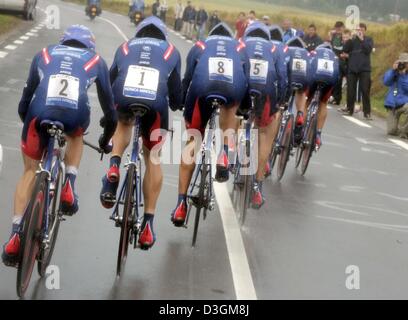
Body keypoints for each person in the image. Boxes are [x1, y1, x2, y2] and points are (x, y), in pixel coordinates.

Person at [2, 25, 117, 266]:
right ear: (89, 44)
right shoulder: (96, 60)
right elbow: (111, 111)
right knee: (76, 134)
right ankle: (69, 186)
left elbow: (24, 101)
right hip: (74, 115)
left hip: (38, 115)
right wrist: (105, 139)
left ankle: (15, 236)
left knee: (29, 172)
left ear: (64, 41)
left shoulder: (44, 53)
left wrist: (32, 128)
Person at [100, 17, 182, 250]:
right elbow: (176, 95)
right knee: (152, 158)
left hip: (124, 98)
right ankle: (147, 224)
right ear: (163, 35)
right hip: (155, 107)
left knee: (123, 123)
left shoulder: (125, 47)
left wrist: (109, 114)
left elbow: (110, 81)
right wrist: (177, 104)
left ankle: (114, 165)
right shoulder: (171, 51)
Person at [170, 22, 249, 226]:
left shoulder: (201, 44)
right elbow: (246, 81)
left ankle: (180, 205)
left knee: (193, 140)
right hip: (232, 90)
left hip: (202, 90)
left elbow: (188, 80)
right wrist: (245, 107)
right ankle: (223, 154)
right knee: (231, 108)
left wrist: (180, 103)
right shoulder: (239, 47)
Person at [242, 22, 288, 208]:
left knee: (235, 115)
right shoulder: (275, 47)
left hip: (244, 87)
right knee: (264, 138)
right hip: (266, 91)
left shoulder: (241, 42)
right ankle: (256, 187)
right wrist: (281, 102)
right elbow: (283, 78)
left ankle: (227, 154)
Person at [307, 43, 339, 148]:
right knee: (323, 103)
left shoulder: (314, 52)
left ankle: (301, 123)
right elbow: (338, 73)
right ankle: (318, 134)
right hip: (330, 80)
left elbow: (308, 66)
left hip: (314, 78)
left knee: (306, 99)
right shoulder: (334, 57)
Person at [342, 23, 374, 120]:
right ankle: (349, 109)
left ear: (364, 30)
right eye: (357, 29)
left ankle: (367, 112)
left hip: (364, 69)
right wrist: (349, 39)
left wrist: (361, 39)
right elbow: (345, 50)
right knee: (351, 89)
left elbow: (368, 50)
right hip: (352, 68)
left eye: (361, 30)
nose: (359, 31)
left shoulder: (369, 39)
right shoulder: (352, 40)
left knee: (365, 90)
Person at [285, 36, 312, 145]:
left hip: (289, 77)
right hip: (304, 78)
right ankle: (300, 113)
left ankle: (283, 111)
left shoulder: (286, 50)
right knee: (301, 92)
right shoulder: (306, 53)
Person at [383, 53, 408, 138]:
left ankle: (405, 131)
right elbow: (386, 82)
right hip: (392, 105)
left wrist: (403, 75)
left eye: (406, 63)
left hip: (405, 104)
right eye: (402, 63)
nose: (404, 65)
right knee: (391, 131)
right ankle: (399, 130)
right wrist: (393, 71)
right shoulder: (393, 72)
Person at [329, 21, 345, 105]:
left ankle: (337, 98)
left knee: (338, 80)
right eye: (337, 28)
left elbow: (343, 48)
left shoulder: (344, 37)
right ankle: (330, 96)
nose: (338, 30)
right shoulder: (333, 36)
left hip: (342, 60)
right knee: (332, 78)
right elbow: (330, 46)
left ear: (343, 28)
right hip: (333, 59)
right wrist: (330, 36)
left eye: (340, 28)